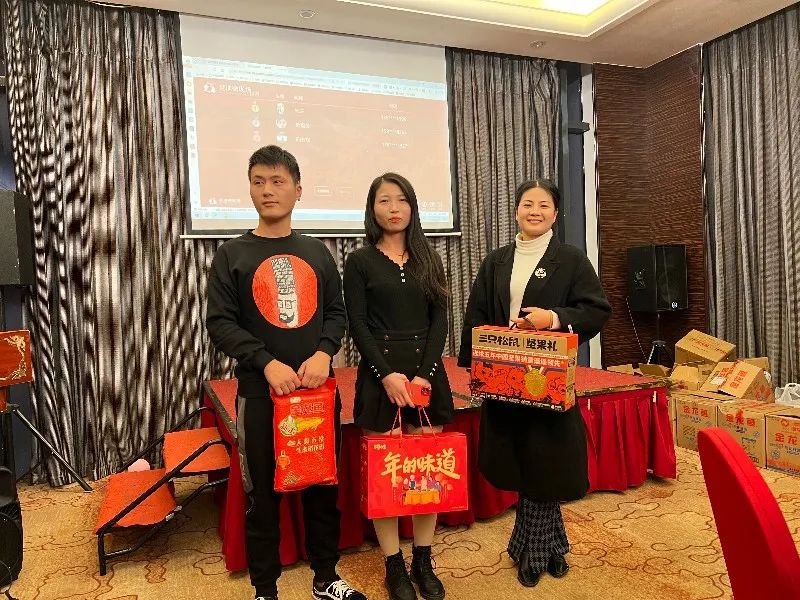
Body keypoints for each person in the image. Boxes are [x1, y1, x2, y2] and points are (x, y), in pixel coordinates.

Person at [206, 146, 367, 600]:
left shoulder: (316, 252)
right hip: (261, 395)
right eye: (258, 181)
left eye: (277, 181)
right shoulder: (232, 255)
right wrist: (266, 362)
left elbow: (335, 313)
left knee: (322, 489)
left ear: (298, 190)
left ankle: (326, 578)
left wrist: (325, 353)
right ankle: (265, 590)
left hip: (317, 393)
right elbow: (220, 322)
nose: (267, 190)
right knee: (262, 497)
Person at [457, 178, 611, 588]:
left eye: (544, 205)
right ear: (516, 210)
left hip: (546, 378)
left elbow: (597, 310)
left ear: (555, 214)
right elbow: (476, 312)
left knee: (545, 459)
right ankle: (551, 546)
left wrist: (554, 318)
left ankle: (532, 551)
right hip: (504, 373)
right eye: (528, 204)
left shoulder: (571, 259)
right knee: (520, 456)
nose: (535, 211)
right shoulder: (497, 260)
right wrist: (475, 366)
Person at [344, 173, 454, 600]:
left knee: (427, 473)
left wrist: (425, 374)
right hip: (380, 379)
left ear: (413, 207)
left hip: (427, 376)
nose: (394, 208)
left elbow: (440, 320)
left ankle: (423, 559)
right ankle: (394, 564)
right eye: (384, 200)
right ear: (372, 209)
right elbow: (358, 324)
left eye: (402, 199)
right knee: (385, 475)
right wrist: (386, 374)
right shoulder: (360, 261)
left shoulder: (430, 257)